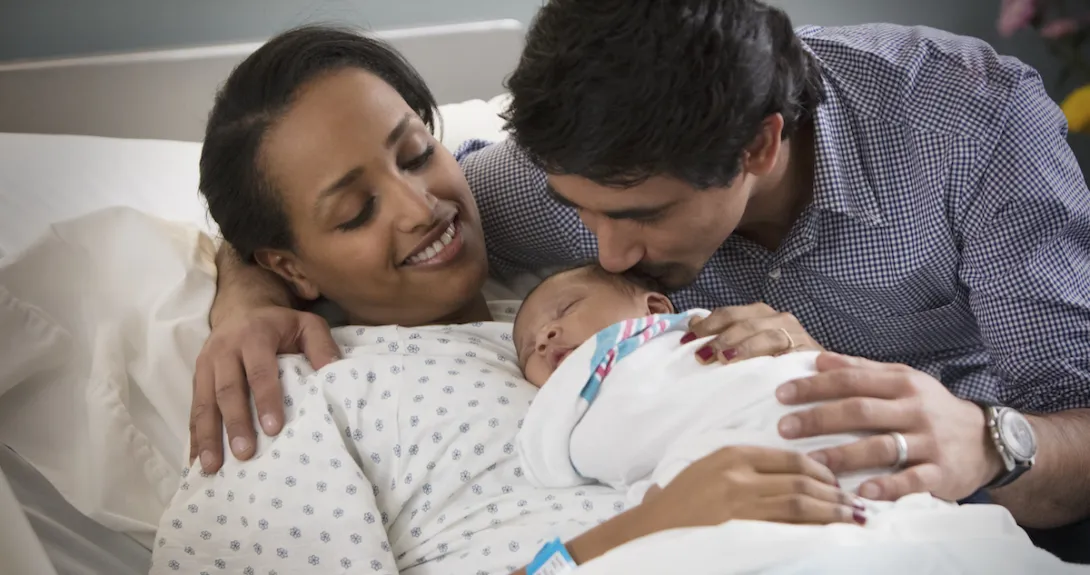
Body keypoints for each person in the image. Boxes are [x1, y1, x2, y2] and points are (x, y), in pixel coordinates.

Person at [194, 0, 1090, 539]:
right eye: (577, 211)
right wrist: (246, 293)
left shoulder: (974, 126)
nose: (608, 253)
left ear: (758, 144)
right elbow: (361, 219)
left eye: (639, 217)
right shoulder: (565, 178)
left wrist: (988, 441)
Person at [164, 24, 867, 574]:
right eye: (355, 211)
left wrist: (786, 368)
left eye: (415, 155)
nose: (422, 207)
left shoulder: (579, 273)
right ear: (288, 263)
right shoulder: (284, 399)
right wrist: (653, 526)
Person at [512, 263, 880, 501]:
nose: (544, 337)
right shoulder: (577, 401)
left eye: (565, 309)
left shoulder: (699, 331)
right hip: (722, 461)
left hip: (785, 402)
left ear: (654, 309)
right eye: (529, 349)